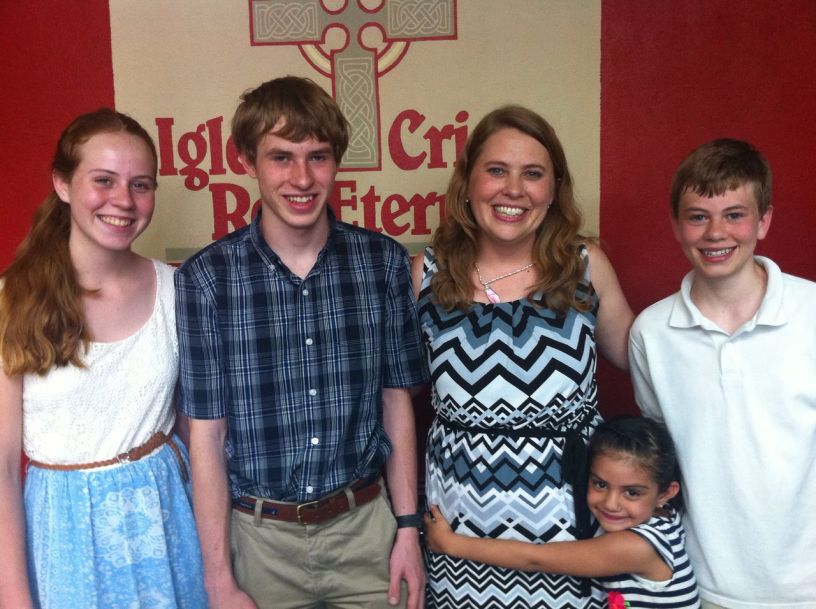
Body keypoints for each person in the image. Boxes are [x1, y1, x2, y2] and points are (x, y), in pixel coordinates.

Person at [175, 76, 428, 609]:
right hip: (258, 539)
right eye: (281, 158)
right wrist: (217, 577)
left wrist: (407, 528)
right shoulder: (206, 279)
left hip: (365, 529)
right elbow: (207, 436)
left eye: (318, 157)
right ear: (246, 160)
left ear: (336, 162)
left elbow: (395, 402)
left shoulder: (381, 262)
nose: (302, 178)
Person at [412, 105, 633, 609]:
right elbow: (394, 393)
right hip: (458, 529)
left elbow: (646, 358)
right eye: (496, 170)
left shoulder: (584, 265)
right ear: (468, 182)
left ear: (554, 189)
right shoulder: (426, 273)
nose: (513, 190)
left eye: (532, 174)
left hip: (569, 526)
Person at [0, 109, 207, 609]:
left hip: (168, 517)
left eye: (141, 185)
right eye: (104, 180)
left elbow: (197, 432)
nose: (124, 201)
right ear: (63, 184)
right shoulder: (13, 300)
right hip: (65, 530)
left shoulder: (176, 290)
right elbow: (2, 467)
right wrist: (13, 597)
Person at [629, 138, 816, 608]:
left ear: (764, 221)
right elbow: (663, 454)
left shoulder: (811, 312)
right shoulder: (652, 332)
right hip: (700, 585)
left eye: (734, 214)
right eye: (698, 216)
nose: (716, 233)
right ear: (676, 225)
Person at [424, 416, 701, 609]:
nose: (611, 503)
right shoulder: (663, 520)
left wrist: (451, 544)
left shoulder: (637, 547)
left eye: (632, 492)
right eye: (600, 484)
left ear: (665, 493)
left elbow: (536, 559)